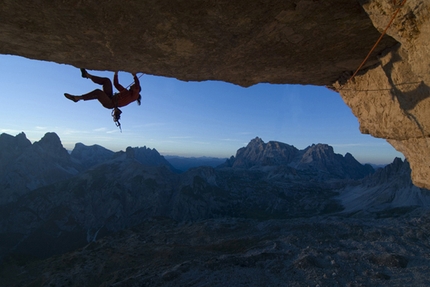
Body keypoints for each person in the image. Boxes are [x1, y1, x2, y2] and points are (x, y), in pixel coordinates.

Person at [64, 69, 141, 109]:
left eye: (133, 85)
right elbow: (116, 84)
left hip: (110, 103)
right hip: (110, 98)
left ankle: (77, 98)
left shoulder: (134, 96)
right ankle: (87, 75)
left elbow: (137, 85)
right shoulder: (126, 92)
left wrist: (134, 75)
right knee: (106, 81)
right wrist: (116, 73)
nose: (132, 85)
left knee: (98, 92)